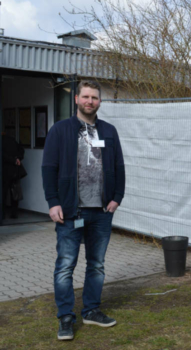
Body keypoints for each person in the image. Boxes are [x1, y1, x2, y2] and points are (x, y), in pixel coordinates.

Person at [42, 80, 125, 341]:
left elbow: (119, 166)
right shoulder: (60, 130)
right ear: (76, 99)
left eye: (95, 97)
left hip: (101, 212)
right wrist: (53, 202)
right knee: (66, 266)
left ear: (100, 101)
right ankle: (66, 318)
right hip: (70, 211)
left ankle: (91, 310)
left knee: (97, 265)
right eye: (86, 96)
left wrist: (117, 197)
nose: (90, 101)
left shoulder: (109, 131)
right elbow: (48, 168)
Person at [2, 132, 25, 219]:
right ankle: (14, 213)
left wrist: (12, 160)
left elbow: (3, 156)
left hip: (4, 170)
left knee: (3, 193)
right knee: (15, 192)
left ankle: (2, 214)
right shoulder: (13, 140)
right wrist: (17, 159)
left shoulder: (3, 141)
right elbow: (21, 150)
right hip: (15, 170)